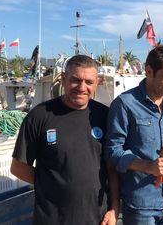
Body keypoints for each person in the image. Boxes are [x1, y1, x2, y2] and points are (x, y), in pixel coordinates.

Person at [10, 54, 119, 225]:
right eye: (75, 80)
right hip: (52, 219)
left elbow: (112, 168)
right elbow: (18, 168)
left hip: (98, 219)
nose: (82, 87)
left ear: (97, 83)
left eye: (89, 82)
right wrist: (52, 185)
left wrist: (114, 209)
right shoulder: (39, 116)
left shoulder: (106, 116)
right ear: (63, 79)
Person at [104, 45, 163, 225]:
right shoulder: (124, 104)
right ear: (149, 71)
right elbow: (112, 152)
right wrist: (147, 166)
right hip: (141, 206)